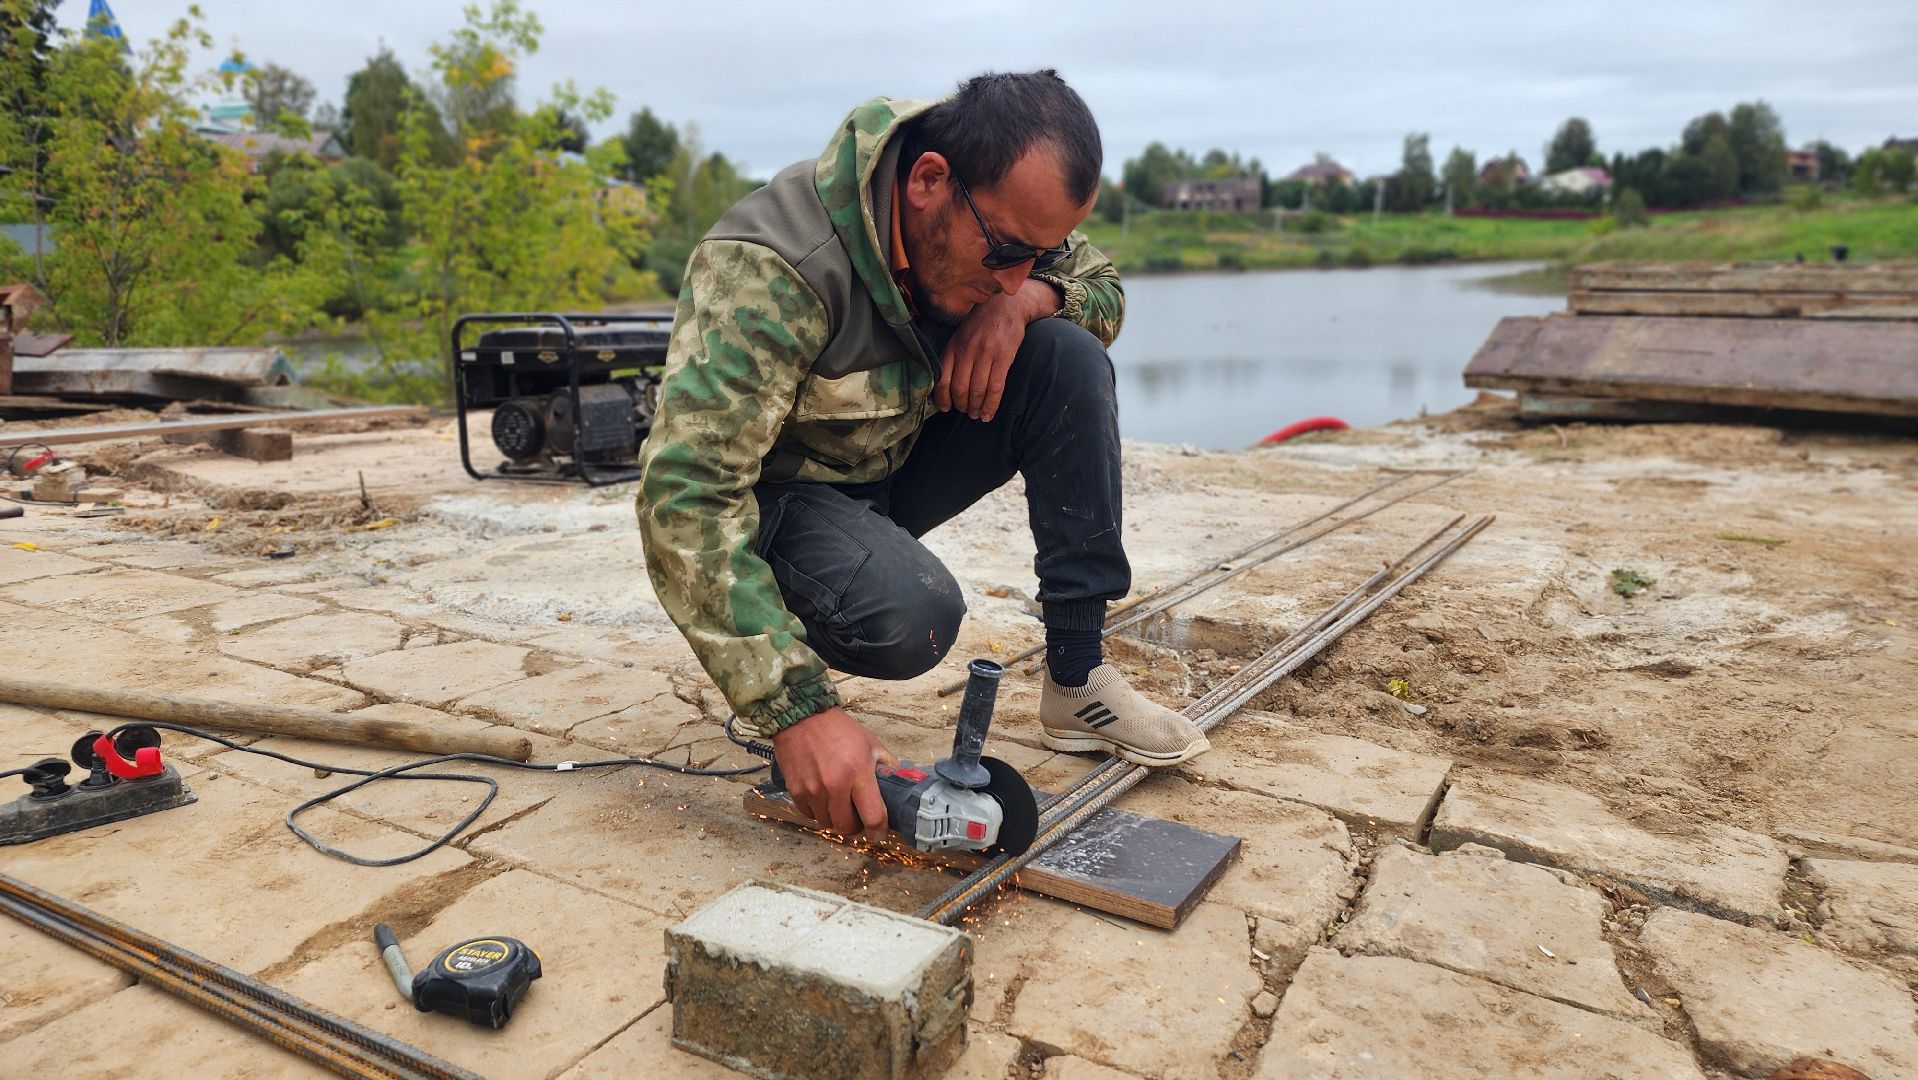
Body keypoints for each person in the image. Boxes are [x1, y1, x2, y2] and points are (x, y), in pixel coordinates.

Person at [635, 70, 1208, 842]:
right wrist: (794, 709)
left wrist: (1022, 303)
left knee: (1066, 358)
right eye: (1004, 251)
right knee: (913, 617)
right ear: (928, 181)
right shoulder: (775, 267)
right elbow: (687, 494)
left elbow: (1100, 283)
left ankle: (1077, 678)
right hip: (781, 506)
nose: (1012, 271)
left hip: (888, 467)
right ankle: (796, 687)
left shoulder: (996, 213)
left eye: (1034, 252)